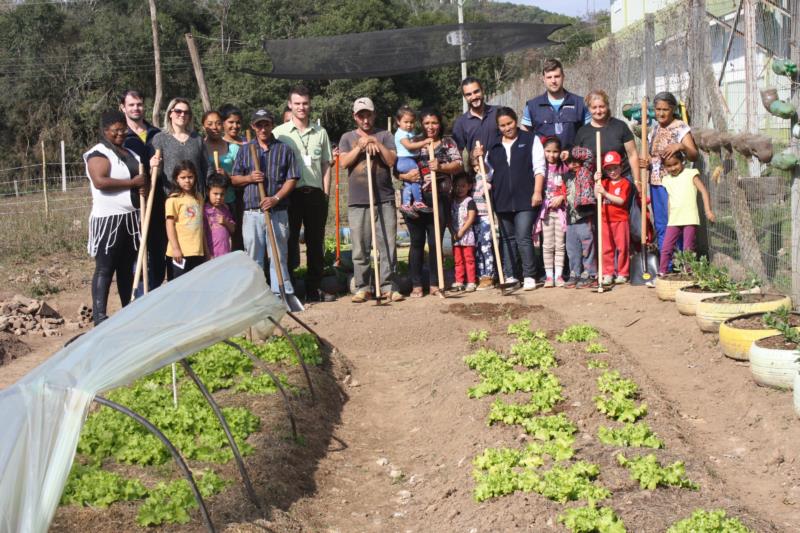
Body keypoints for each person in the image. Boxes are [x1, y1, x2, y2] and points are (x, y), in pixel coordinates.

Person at [273, 86, 335, 303]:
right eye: (297, 103)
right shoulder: (279, 133)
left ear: (310, 104)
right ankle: (289, 290)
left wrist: (326, 193)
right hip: (290, 195)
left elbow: (327, 164)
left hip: (315, 195)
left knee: (316, 242)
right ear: (290, 104)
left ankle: (313, 288)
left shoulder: (321, 133)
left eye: (305, 103)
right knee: (288, 242)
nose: (301, 107)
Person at [85, 110, 147, 325]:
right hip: (109, 220)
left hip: (130, 219)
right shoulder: (98, 153)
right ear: (105, 131)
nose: (121, 134)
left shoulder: (130, 153)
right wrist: (133, 183)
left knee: (126, 268)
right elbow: (100, 182)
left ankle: (127, 311)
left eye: (123, 130)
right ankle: (100, 317)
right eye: (116, 131)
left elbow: (140, 179)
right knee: (105, 267)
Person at [338, 97, 402, 303]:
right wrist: (360, 146)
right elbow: (343, 163)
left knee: (388, 244)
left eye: (368, 114)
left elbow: (391, 160)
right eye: (361, 115)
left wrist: (375, 142)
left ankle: (388, 286)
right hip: (358, 201)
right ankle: (362, 286)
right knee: (359, 246)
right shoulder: (347, 137)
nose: (365, 120)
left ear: (374, 114)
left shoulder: (385, 135)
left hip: (384, 198)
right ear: (355, 117)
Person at [231, 108, 300, 296]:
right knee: (254, 258)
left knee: (279, 256)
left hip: (278, 212)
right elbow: (234, 179)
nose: (263, 128)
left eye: (266, 124)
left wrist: (275, 198)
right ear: (253, 127)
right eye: (258, 125)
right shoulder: (245, 150)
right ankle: (257, 295)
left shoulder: (284, 149)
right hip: (252, 213)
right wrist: (249, 178)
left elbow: (292, 178)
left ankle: (282, 294)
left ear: (272, 125)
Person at [397, 108, 464, 297]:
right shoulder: (413, 143)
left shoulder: (448, 142)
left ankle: (435, 282)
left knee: (435, 242)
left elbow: (458, 165)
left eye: (434, 123)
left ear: (440, 124)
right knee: (417, 242)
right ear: (421, 124)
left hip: (439, 198)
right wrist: (404, 175)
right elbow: (398, 166)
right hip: (416, 198)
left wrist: (441, 166)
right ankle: (416, 284)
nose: (430, 127)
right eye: (426, 123)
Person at [485, 107, 545, 290]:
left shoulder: (530, 140)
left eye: (509, 123)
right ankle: (510, 275)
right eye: (502, 126)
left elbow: (539, 168)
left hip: (526, 198)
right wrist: (479, 164)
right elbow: (487, 173)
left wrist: (537, 191)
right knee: (507, 238)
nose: (507, 128)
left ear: (516, 120)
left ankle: (529, 275)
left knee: (523, 237)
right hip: (502, 200)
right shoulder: (493, 147)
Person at [573, 89, 642, 240]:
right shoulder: (583, 132)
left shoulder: (619, 126)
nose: (598, 110)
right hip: (597, 182)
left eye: (602, 106)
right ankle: (606, 257)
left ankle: (634, 250)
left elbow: (632, 154)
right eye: (594, 107)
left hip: (622, 179)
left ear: (607, 106)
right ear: (589, 109)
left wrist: (637, 181)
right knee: (603, 222)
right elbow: (578, 161)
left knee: (630, 219)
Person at [640, 91, 699, 252]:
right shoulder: (654, 129)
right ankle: (667, 262)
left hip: (675, 182)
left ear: (672, 109)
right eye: (657, 109)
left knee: (677, 221)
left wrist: (681, 146)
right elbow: (653, 157)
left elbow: (694, 155)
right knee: (661, 223)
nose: (661, 113)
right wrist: (646, 162)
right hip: (656, 182)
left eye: (665, 109)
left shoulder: (680, 128)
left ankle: (682, 258)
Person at [119, 89, 164, 294]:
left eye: (139, 104)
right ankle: (135, 295)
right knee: (135, 250)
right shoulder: (121, 137)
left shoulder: (157, 134)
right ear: (123, 108)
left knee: (157, 248)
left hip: (157, 199)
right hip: (133, 202)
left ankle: (153, 291)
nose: (136, 108)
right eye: (131, 105)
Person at [658, 152, 715, 274]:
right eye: (669, 166)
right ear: (664, 167)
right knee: (666, 247)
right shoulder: (666, 179)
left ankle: (688, 273)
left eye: (675, 164)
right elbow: (669, 199)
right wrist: (669, 217)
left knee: (688, 249)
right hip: (674, 219)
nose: (673, 168)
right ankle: (662, 272)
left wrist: (708, 210)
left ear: (682, 161)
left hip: (690, 218)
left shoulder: (690, 174)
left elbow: (704, 191)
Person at [521, 58, 590, 154]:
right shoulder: (532, 106)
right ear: (543, 79)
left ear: (563, 77)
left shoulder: (580, 103)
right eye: (549, 77)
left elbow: (589, 134)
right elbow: (524, 137)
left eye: (557, 76)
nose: (553, 81)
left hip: (572, 164)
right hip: (543, 165)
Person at [535, 137, 568, 287]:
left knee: (560, 244)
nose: (551, 155)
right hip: (545, 213)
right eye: (548, 151)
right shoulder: (540, 169)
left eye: (555, 151)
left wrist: (562, 196)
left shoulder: (565, 168)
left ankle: (559, 275)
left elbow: (571, 185)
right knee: (547, 244)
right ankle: (549, 276)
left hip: (561, 212)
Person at [595, 151, 632, 286]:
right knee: (606, 248)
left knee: (622, 247)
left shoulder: (624, 183)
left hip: (620, 220)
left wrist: (605, 193)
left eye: (615, 168)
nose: (612, 171)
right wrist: (596, 182)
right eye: (609, 169)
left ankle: (623, 273)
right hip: (605, 220)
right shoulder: (603, 182)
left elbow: (621, 201)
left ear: (621, 167)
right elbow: (596, 195)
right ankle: (608, 273)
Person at [564, 147, 598, 289]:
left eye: (576, 161)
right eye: (570, 162)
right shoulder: (566, 176)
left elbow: (589, 154)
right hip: (570, 217)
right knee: (572, 247)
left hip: (584, 213)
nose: (574, 164)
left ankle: (590, 273)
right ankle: (575, 273)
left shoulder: (586, 170)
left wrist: (569, 152)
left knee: (587, 245)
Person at [165, 161, 206, 278]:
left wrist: (206, 252)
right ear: (176, 179)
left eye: (190, 177)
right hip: (180, 253)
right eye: (183, 177)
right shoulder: (173, 200)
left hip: (197, 251)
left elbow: (201, 226)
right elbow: (170, 225)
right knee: (179, 287)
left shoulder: (199, 197)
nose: (187, 181)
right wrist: (176, 249)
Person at [394, 105, 433, 217]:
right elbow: (409, 146)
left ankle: (406, 204)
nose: (409, 125)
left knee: (409, 184)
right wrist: (424, 142)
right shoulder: (401, 133)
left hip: (407, 160)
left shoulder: (410, 132)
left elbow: (414, 141)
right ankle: (418, 201)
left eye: (411, 122)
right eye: (406, 122)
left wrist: (419, 141)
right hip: (405, 160)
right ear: (398, 121)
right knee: (416, 178)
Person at [452, 77, 500, 158]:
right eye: (468, 94)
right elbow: (458, 155)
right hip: (479, 169)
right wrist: (472, 157)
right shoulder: (460, 123)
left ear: (483, 91)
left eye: (476, 91)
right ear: (465, 97)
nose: (474, 97)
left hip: (503, 168)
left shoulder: (498, 112)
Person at [219, 104, 245, 251]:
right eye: (231, 122)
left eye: (238, 122)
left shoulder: (247, 143)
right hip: (227, 197)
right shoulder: (219, 144)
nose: (235, 126)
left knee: (242, 235)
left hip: (245, 196)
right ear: (223, 123)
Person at [470, 156, 495, 290]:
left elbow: (488, 184)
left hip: (485, 216)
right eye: (474, 166)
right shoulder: (472, 180)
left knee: (486, 246)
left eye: (478, 165)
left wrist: (486, 186)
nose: (476, 168)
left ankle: (489, 274)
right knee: (478, 247)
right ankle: (480, 275)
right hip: (474, 217)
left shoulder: (485, 177)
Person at [450, 174, 478, 292]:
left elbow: (471, 217)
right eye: (457, 186)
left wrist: (461, 231)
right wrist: (453, 232)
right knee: (458, 260)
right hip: (455, 237)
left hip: (467, 236)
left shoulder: (469, 201)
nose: (459, 189)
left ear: (469, 186)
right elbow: (449, 219)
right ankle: (459, 281)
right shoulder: (452, 202)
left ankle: (471, 281)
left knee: (469, 259)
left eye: (463, 186)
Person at [204, 173, 236, 258]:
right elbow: (202, 235)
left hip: (225, 254)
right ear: (208, 192)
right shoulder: (205, 211)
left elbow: (233, 229)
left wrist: (225, 222)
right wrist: (208, 255)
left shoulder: (225, 209)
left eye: (222, 194)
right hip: (212, 255)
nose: (219, 197)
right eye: (215, 194)